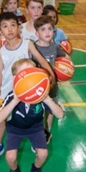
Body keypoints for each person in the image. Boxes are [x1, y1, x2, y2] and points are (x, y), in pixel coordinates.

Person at [0, 12, 56, 163]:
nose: (10, 29)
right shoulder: (1, 52)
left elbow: (41, 60)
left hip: (26, 91)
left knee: (32, 117)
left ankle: (37, 140)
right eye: (5, 26)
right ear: (0, 31)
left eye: (13, 25)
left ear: (19, 27)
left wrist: (51, 75)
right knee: (3, 121)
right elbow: (0, 73)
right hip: (7, 92)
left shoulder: (27, 44)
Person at [0, 58, 64, 172]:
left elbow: (60, 115)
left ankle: (36, 170)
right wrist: (15, 100)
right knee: (10, 157)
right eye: (24, 74)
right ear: (16, 79)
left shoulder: (40, 95)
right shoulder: (11, 97)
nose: (28, 77)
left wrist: (47, 99)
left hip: (35, 128)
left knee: (43, 154)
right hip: (15, 129)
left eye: (31, 72)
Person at [32, 16, 68, 144]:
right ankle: (36, 130)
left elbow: (65, 58)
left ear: (54, 31)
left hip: (52, 86)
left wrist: (67, 69)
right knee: (37, 111)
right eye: (43, 29)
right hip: (37, 87)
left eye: (50, 29)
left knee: (50, 109)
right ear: (37, 33)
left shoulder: (55, 47)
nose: (47, 32)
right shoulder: (33, 48)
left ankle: (46, 131)